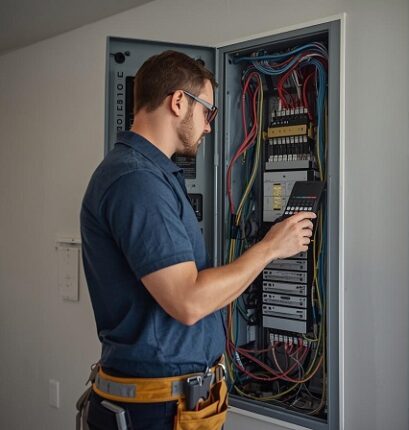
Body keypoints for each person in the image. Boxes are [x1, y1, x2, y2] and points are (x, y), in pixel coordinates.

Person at [78, 50, 315, 430]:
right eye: (208, 112)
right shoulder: (137, 182)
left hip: (174, 401)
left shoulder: (150, 175)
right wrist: (271, 247)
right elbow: (188, 301)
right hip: (156, 411)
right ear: (178, 102)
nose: (208, 127)